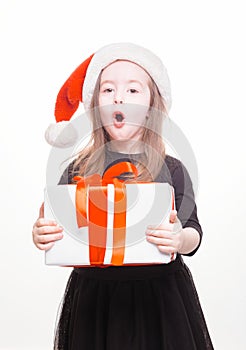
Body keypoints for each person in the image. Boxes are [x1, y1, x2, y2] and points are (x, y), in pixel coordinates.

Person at [32, 43, 214, 350]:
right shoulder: (75, 170)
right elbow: (55, 226)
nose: (119, 97)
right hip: (95, 300)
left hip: (159, 299)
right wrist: (42, 234)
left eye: (133, 90)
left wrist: (179, 238)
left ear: (152, 105)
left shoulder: (173, 169)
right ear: (95, 104)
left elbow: (193, 231)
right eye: (108, 90)